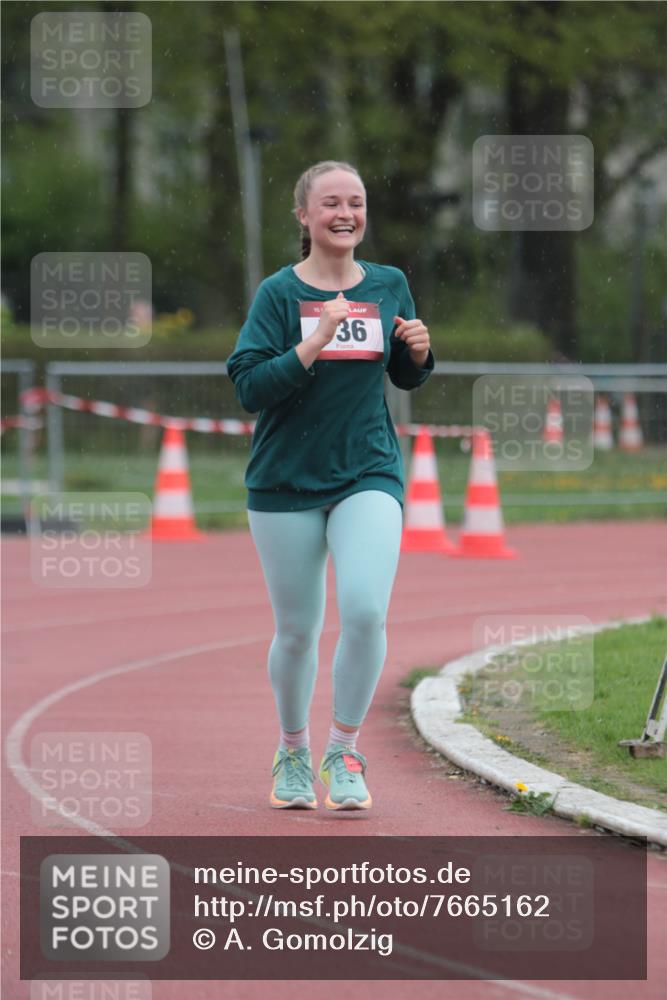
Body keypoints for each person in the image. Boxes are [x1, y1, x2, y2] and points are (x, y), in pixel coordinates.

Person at [226, 160, 434, 811]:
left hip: (366, 469)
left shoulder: (389, 283)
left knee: (366, 609)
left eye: (355, 202)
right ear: (303, 215)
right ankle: (292, 751)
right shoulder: (278, 295)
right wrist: (311, 342)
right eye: (330, 204)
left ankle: (343, 749)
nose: (344, 214)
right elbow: (249, 387)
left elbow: (401, 376)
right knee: (297, 630)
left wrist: (419, 353)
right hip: (286, 479)